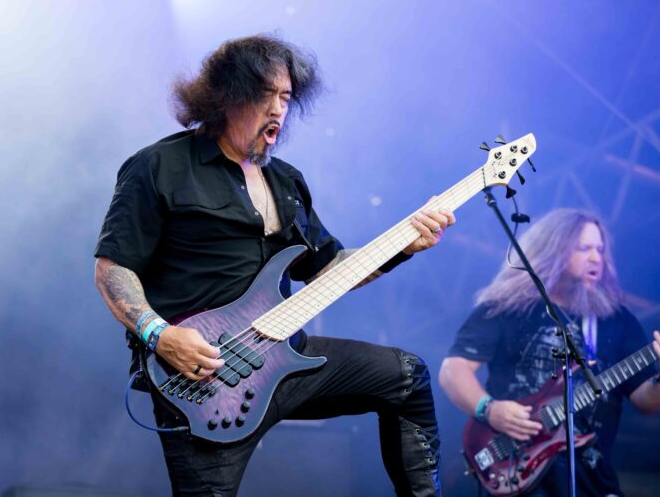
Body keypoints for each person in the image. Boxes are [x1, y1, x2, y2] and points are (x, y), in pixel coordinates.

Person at [94, 34, 456, 497]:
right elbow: (113, 268)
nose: (279, 109)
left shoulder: (285, 181)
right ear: (227, 96)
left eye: (286, 97)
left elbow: (329, 269)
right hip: (206, 379)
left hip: (285, 359)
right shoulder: (159, 166)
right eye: (266, 94)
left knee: (406, 377)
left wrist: (404, 245)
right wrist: (160, 335)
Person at [438, 208, 660, 496]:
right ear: (552, 250)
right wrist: (489, 409)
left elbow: (647, 402)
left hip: (591, 480)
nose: (596, 258)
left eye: (600, 250)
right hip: (516, 467)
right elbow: (453, 370)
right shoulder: (506, 307)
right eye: (584, 248)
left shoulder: (617, 320)